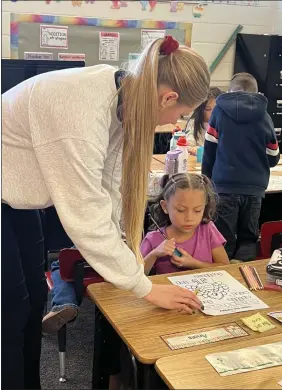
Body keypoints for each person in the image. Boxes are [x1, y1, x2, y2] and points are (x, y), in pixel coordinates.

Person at [2, 36, 210, 389]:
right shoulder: (81, 111)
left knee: (34, 300)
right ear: (168, 98)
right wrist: (143, 287)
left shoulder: (120, 93)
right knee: (10, 313)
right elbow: (85, 215)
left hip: (19, 203)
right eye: (181, 114)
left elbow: (111, 187)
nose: (175, 120)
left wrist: (128, 253)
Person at [202, 72, 280, 261]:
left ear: (230, 91)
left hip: (225, 186)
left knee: (223, 239)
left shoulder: (219, 112)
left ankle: (224, 275)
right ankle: (245, 276)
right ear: (257, 92)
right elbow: (273, 156)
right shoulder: (264, 115)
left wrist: (207, 181)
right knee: (248, 238)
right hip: (254, 188)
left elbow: (209, 151)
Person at [141, 173, 229, 275]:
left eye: (197, 210)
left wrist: (194, 263)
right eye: (181, 210)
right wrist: (154, 254)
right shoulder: (153, 239)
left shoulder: (208, 230)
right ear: (165, 207)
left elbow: (226, 267)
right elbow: (136, 277)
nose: (189, 218)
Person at [184, 86, 222, 155]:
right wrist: (192, 148)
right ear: (200, 110)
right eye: (208, 109)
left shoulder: (223, 123)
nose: (213, 113)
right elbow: (189, 144)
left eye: (216, 108)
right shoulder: (194, 122)